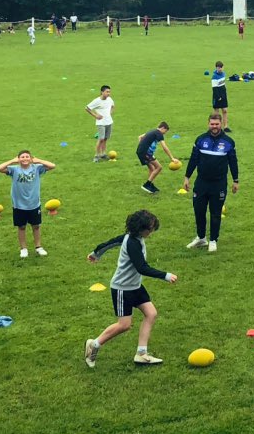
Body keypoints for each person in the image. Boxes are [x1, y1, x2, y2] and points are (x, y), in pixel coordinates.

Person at [84, 209, 178, 368]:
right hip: (123, 289)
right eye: (150, 229)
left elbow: (110, 242)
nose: (152, 232)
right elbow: (142, 267)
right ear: (141, 228)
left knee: (151, 313)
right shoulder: (133, 243)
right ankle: (94, 344)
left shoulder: (132, 237)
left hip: (135, 286)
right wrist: (165, 275)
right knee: (124, 325)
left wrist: (96, 253)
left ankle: (141, 354)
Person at [183, 114, 239, 253]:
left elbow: (233, 162)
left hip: (219, 184)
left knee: (215, 213)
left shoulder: (229, 142)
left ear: (221, 124)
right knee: (199, 211)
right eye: (212, 124)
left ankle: (213, 240)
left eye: (217, 124)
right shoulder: (200, 140)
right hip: (201, 182)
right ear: (208, 124)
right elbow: (193, 159)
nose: (214, 126)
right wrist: (187, 177)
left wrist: (235, 180)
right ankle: (201, 238)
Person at [0, 150, 56, 258]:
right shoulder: (14, 170)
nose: (25, 159)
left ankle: (38, 247)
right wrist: (12, 161)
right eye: (22, 157)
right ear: (18, 159)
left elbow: (52, 166)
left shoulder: (37, 168)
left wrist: (38, 160)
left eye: (27, 157)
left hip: (34, 203)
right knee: (21, 227)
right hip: (19, 205)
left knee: (36, 226)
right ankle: (23, 248)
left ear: (31, 158)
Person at [137, 122, 179, 194]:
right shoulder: (159, 133)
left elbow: (140, 137)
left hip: (141, 152)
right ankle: (147, 185)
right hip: (146, 153)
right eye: (165, 132)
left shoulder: (152, 131)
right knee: (159, 167)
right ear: (162, 128)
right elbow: (164, 147)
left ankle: (150, 185)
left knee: (152, 168)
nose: (164, 134)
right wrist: (172, 158)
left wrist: (142, 146)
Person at [86, 85, 115, 162]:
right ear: (102, 92)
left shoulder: (109, 99)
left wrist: (109, 114)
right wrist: (95, 115)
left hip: (109, 122)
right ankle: (96, 155)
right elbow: (87, 108)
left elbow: (113, 106)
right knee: (101, 139)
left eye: (109, 92)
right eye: (107, 92)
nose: (108, 93)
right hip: (101, 123)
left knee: (105, 139)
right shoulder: (97, 101)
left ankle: (103, 154)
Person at [211, 60, 230, 131]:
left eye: (220, 67)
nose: (219, 69)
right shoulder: (214, 76)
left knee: (225, 110)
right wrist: (218, 97)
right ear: (216, 68)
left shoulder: (223, 74)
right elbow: (214, 88)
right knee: (216, 112)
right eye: (218, 68)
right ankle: (217, 127)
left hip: (223, 94)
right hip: (217, 95)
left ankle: (225, 127)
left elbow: (223, 84)